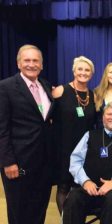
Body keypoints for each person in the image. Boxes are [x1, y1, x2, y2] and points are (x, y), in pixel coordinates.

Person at [0, 44, 54, 224]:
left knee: (39, 210)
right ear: (18, 63)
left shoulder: (46, 86)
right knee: (19, 213)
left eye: (35, 60)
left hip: (43, 163)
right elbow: (2, 128)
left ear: (42, 65)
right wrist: (8, 162)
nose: (32, 64)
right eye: (27, 60)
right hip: (18, 163)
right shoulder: (5, 87)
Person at [62, 102, 112, 224]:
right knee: (73, 198)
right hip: (89, 188)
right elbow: (75, 161)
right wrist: (85, 181)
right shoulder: (89, 135)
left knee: (111, 199)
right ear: (103, 117)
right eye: (109, 114)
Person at [52, 56, 96, 214]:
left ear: (91, 74)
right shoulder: (60, 91)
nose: (83, 73)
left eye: (87, 70)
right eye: (80, 69)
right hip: (64, 148)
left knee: (80, 187)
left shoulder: (93, 95)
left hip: (85, 150)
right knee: (64, 186)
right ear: (74, 71)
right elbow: (48, 118)